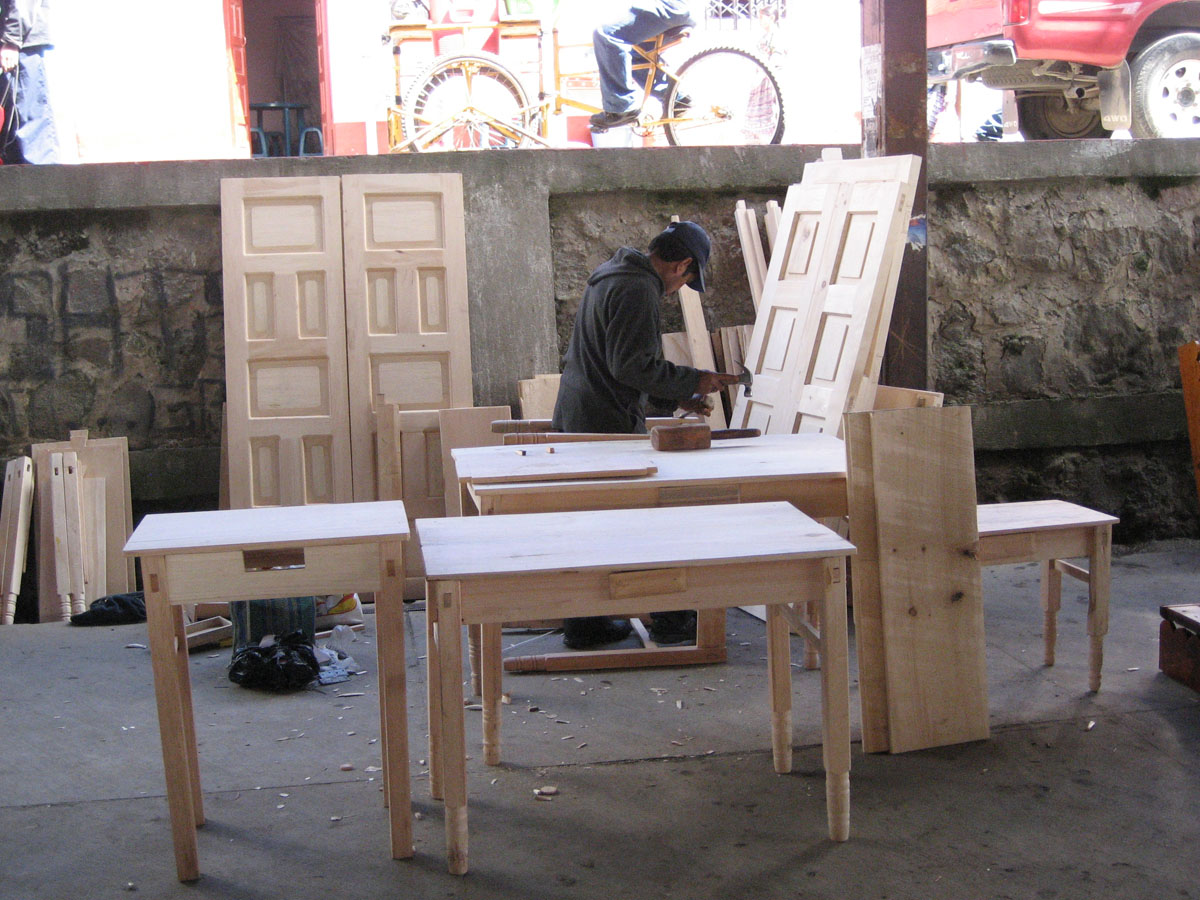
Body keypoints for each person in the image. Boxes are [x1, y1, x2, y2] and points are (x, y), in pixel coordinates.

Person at [551, 220, 737, 649]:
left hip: (584, 413)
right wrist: (695, 379)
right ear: (682, 265)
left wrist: (677, 395)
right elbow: (631, 365)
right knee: (646, 520)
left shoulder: (613, 274)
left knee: (593, 523)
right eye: (687, 280)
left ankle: (586, 625)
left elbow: (616, 361)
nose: (678, 290)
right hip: (602, 423)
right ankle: (670, 620)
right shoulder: (638, 288)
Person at [589, 0, 694, 132]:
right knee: (635, 55)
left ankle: (621, 107)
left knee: (606, 34)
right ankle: (675, 99)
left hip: (671, 7)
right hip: (680, 10)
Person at [1, 0, 59, 165]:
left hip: (20, 47)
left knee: (30, 129)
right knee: (11, 136)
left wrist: (12, 40)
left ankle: (43, 178)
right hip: (11, 45)